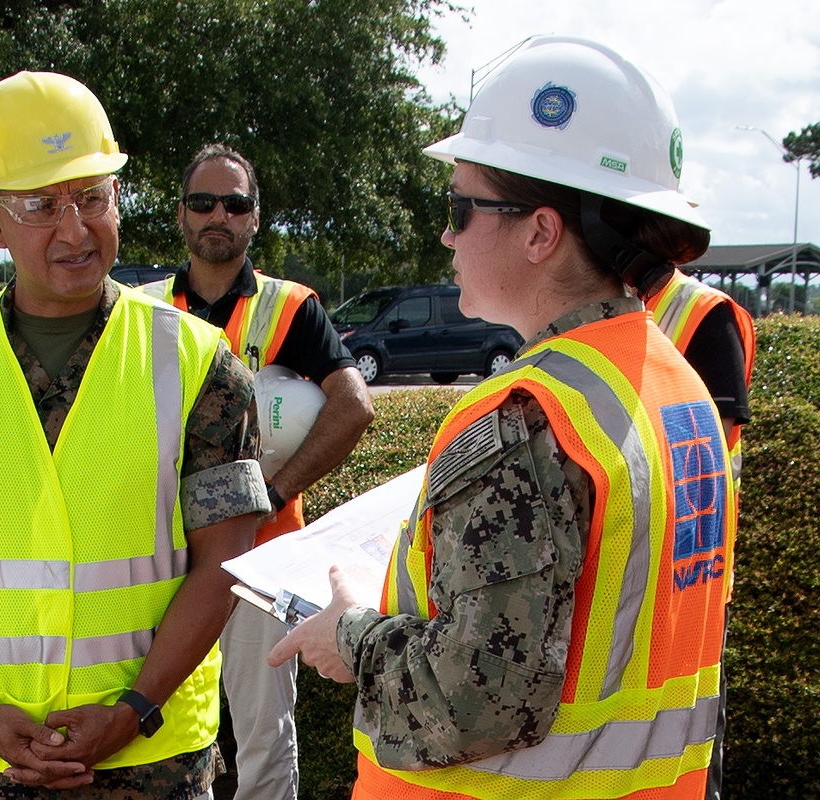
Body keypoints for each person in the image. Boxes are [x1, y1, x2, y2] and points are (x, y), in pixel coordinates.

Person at [269, 35, 735, 800]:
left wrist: (347, 634)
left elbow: (469, 703)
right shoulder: (670, 382)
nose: (448, 234)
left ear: (540, 232)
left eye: (462, 207)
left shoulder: (529, 419)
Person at [0, 71, 270, 800]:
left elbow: (225, 561)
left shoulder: (200, 363)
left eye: (93, 198)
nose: (76, 229)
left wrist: (132, 711)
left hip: (150, 758)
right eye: (41, 206)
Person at [142, 143, 374, 800]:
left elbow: (353, 408)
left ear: (255, 218)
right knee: (153, 722)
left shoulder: (290, 307)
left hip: (262, 557)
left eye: (235, 203)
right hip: (164, 555)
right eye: (203, 202)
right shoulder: (143, 309)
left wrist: (269, 494)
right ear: (182, 215)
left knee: (263, 733)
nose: (219, 214)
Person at [643, 268, 756, 800]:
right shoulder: (602, 295)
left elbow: (714, 437)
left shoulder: (701, 314)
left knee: (688, 744)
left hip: (689, 571)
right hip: (634, 573)